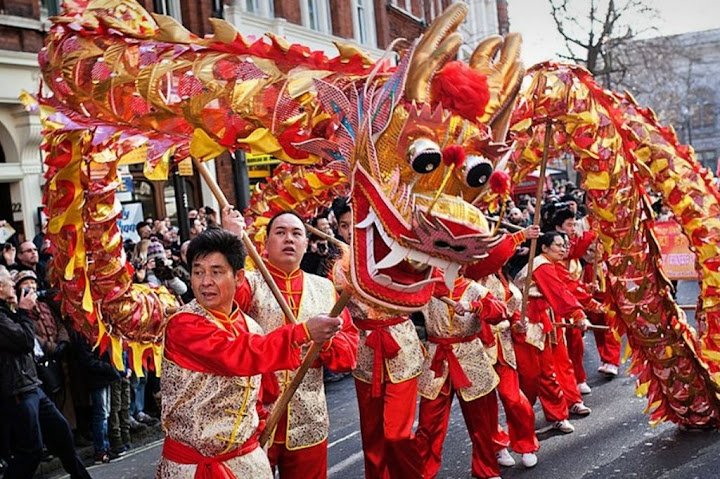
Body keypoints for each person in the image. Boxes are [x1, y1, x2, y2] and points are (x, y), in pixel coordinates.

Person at [157, 226, 343, 479]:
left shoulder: (250, 325)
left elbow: (259, 392)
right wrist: (303, 332)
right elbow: (235, 354)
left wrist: (260, 424)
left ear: (239, 277)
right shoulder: (183, 323)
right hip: (191, 468)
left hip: (247, 463)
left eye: (216, 271)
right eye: (198, 272)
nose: (205, 282)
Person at [234, 210, 358, 479]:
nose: (288, 239)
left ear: (306, 244)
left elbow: (349, 353)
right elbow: (227, 324)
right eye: (280, 233)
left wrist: (324, 344)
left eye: (296, 233)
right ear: (265, 244)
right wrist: (233, 240)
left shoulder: (325, 290)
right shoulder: (248, 284)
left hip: (308, 418)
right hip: (252, 418)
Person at [0, 266, 91, 479]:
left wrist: (18, 310)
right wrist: (23, 311)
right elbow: (24, 341)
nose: (15, 286)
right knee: (30, 451)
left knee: (61, 433)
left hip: (31, 385)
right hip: (17, 391)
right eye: (9, 282)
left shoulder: (7, 310)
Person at [415, 275, 508, 479]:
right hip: (436, 359)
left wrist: (474, 306)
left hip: (470, 356)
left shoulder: (474, 288)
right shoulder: (425, 287)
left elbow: (500, 311)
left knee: (482, 421)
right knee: (428, 424)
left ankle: (486, 469)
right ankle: (422, 473)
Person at [512, 231, 592, 433]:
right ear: (544, 248)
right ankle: (522, 415)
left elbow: (565, 288)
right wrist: (577, 314)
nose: (563, 248)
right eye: (558, 244)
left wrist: (583, 307)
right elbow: (560, 292)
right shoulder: (541, 265)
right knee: (530, 375)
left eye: (564, 244)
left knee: (548, 369)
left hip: (543, 318)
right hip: (526, 322)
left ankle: (558, 413)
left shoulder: (549, 264)